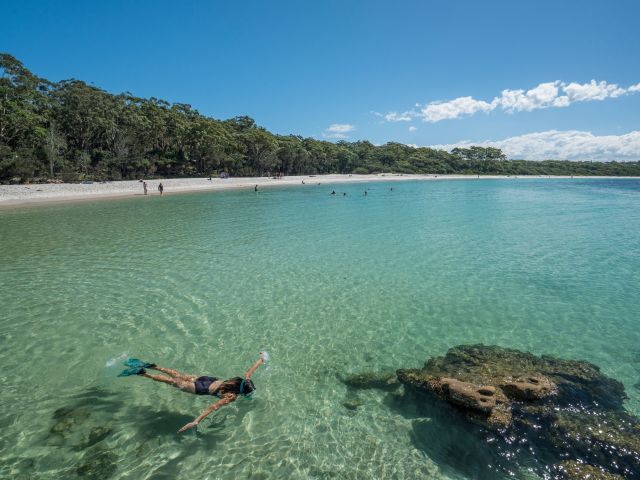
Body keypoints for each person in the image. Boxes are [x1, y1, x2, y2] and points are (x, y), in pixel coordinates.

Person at [119, 353, 268, 433]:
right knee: (171, 381)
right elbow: (213, 407)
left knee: (176, 374)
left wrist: (261, 359)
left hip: (205, 379)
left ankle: (148, 365)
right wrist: (196, 421)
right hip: (200, 389)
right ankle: (142, 373)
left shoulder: (239, 380)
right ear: (243, 393)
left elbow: (249, 372)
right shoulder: (232, 396)